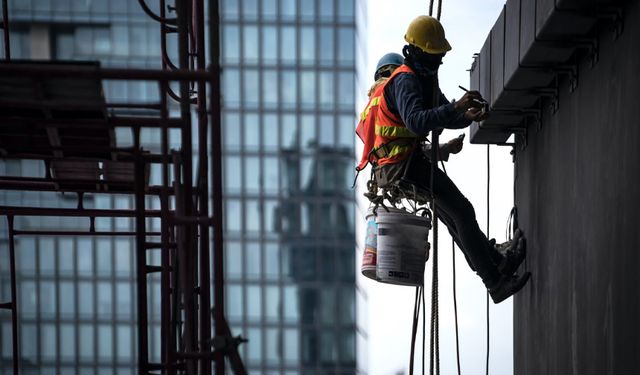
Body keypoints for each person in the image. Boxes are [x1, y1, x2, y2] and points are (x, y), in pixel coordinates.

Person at [357, 16, 529, 304]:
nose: (437, 63)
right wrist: (456, 107)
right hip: (401, 166)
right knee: (461, 211)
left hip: (403, 163)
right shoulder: (405, 80)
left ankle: (497, 265)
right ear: (416, 52)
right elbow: (416, 122)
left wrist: (467, 116)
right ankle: (494, 280)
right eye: (433, 56)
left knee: (454, 215)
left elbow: (443, 116)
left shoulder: (425, 78)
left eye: (439, 57)